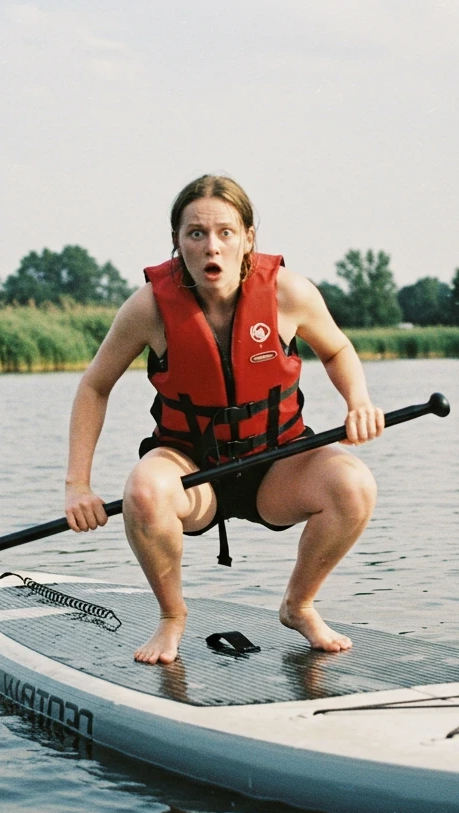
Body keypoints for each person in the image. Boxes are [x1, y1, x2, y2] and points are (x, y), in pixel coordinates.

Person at [64, 175, 384, 665]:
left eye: (225, 232)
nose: (211, 246)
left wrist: (358, 400)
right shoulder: (149, 307)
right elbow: (94, 386)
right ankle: (172, 617)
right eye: (196, 233)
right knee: (143, 492)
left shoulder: (289, 294)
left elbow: (338, 349)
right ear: (177, 242)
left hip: (277, 465)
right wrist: (78, 485)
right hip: (191, 471)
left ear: (249, 238)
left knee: (355, 485)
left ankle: (299, 605)